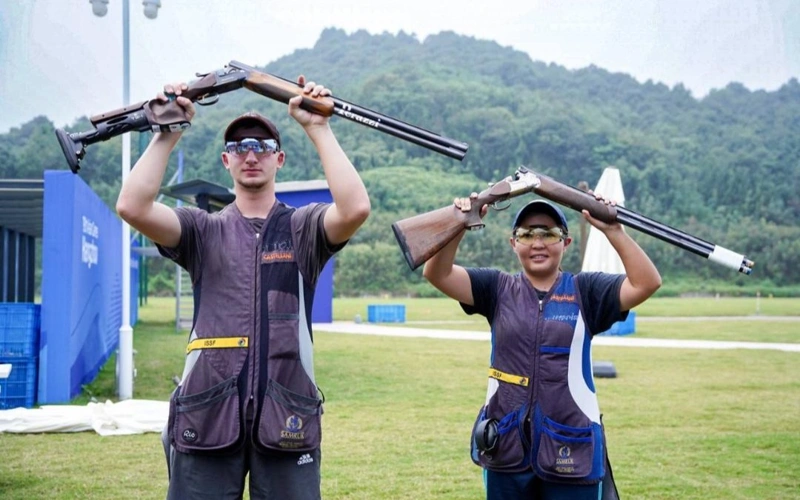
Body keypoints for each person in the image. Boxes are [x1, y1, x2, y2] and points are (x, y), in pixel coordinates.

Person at [116, 77, 370, 500]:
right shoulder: (202, 230)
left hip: (287, 413)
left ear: (280, 160)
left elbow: (355, 208)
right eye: (239, 147)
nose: (251, 154)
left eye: (263, 147)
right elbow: (132, 206)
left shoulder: (302, 228)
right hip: (207, 412)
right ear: (225, 161)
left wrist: (319, 128)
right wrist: (168, 132)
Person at [422, 194, 661, 500]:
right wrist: (458, 223)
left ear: (566, 242)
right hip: (505, 446)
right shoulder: (496, 288)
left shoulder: (586, 291)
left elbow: (646, 282)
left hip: (573, 449)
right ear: (513, 243)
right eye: (526, 234)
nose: (537, 242)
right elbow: (436, 273)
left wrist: (614, 230)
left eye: (548, 233)